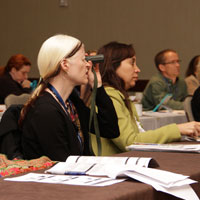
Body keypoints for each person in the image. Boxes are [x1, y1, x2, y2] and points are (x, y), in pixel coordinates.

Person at [19, 34, 120, 161]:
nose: (88, 65)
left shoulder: (71, 103)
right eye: (83, 59)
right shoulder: (45, 111)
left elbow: (111, 130)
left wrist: (97, 86)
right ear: (65, 64)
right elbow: (62, 164)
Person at [91, 41, 200, 156]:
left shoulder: (119, 94)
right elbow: (130, 142)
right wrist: (177, 129)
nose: (137, 69)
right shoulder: (109, 96)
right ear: (113, 66)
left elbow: (137, 136)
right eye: (132, 63)